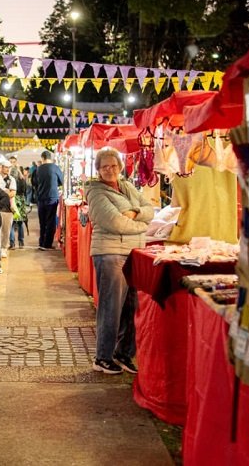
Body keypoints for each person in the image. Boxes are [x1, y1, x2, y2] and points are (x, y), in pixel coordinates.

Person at [86, 147, 154, 375]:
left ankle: (123, 353)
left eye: (113, 165)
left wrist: (135, 213)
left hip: (132, 252)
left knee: (130, 307)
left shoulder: (126, 186)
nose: (110, 170)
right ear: (98, 169)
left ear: (120, 166)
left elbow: (150, 209)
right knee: (111, 308)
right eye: (104, 166)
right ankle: (103, 357)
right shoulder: (95, 192)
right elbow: (114, 222)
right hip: (110, 253)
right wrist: (142, 225)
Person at [34, 150, 63, 250]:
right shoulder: (55, 168)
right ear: (50, 157)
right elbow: (61, 181)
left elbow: (34, 182)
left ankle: (41, 242)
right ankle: (47, 244)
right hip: (52, 197)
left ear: (42, 158)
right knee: (50, 221)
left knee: (42, 222)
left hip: (41, 198)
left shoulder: (38, 169)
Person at [0, 160, 16, 257]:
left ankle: (4, 248)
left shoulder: (11, 179)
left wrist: (2, 193)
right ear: (1, 167)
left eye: (9, 168)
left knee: (6, 230)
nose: (7, 169)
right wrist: (6, 192)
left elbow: (13, 193)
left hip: (8, 208)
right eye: (6, 167)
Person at [10, 164, 28, 250]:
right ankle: (21, 242)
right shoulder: (22, 179)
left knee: (12, 224)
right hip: (21, 201)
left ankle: (12, 243)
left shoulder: (10, 180)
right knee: (20, 223)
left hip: (12, 200)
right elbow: (25, 191)